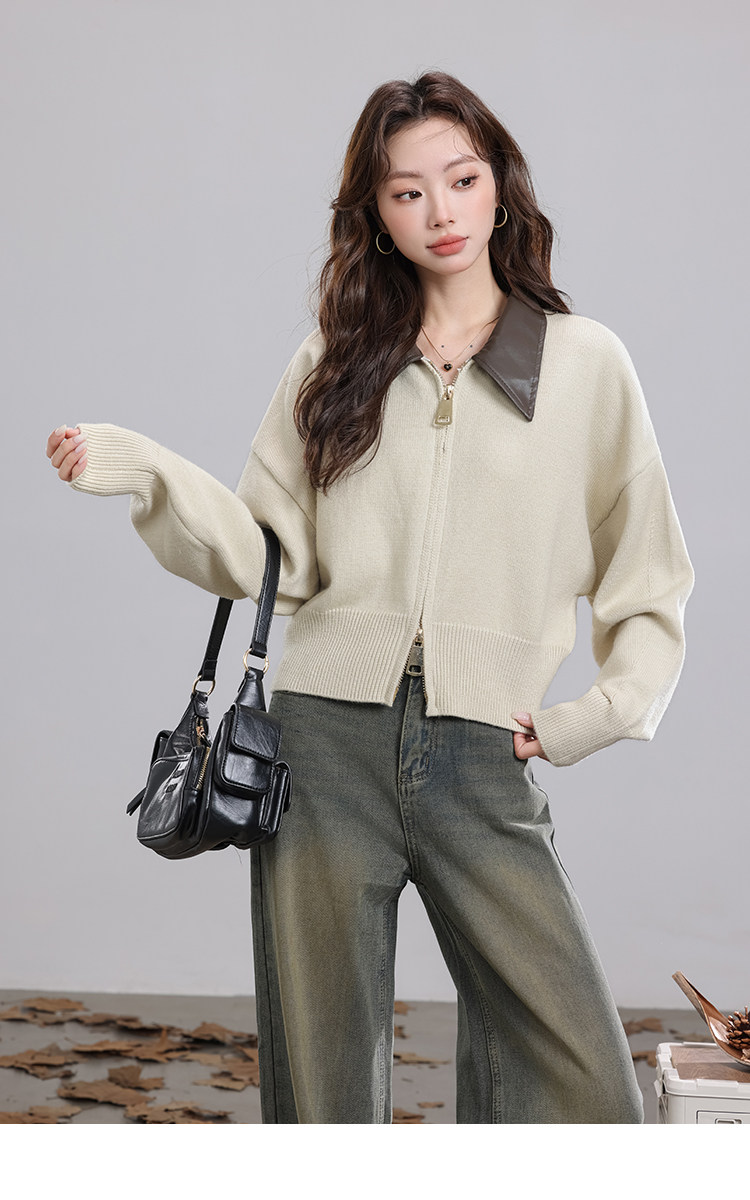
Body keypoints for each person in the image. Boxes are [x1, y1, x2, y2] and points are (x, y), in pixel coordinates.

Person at [46, 71, 694, 1124]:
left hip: (484, 748)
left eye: (461, 179)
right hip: (323, 748)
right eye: (406, 192)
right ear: (377, 216)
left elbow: (650, 575)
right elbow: (271, 557)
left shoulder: (585, 366)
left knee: (579, 1084)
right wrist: (146, 471)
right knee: (324, 1085)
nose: (440, 211)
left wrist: (596, 715)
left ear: (500, 186)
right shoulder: (335, 359)